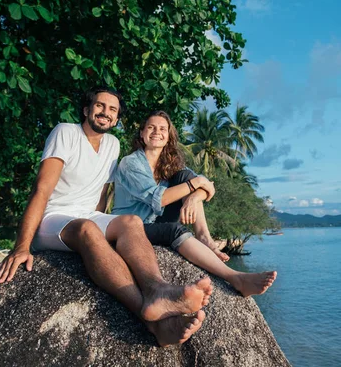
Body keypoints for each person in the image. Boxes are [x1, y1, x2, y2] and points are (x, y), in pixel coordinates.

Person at [0, 88, 213, 347]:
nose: (105, 113)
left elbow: (101, 194)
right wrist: (22, 246)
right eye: (100, 106)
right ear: (86, 110)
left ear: (117, 118)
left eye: (113, 110)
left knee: (130, 222)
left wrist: (107, 230)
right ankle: (151, 321)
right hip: (53, 218)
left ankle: (157, 290)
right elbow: (41, 189)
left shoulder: (112, 145)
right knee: (88, 230)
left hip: (88, 215)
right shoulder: (66, 132)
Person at [113, 110, 277, 297]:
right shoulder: (130, 163)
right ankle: (235, 278)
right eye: (151, 127)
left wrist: (193, 197)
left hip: (156, 220)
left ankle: (204, 238)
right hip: (133, 227)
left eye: (162, 129)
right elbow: (161, 198)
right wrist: (196, 185)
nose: (157, 132)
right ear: (142, 133)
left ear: (168, 136)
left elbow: (208, 188)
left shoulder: (168, 164)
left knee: (185, 177)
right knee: (174, 225)